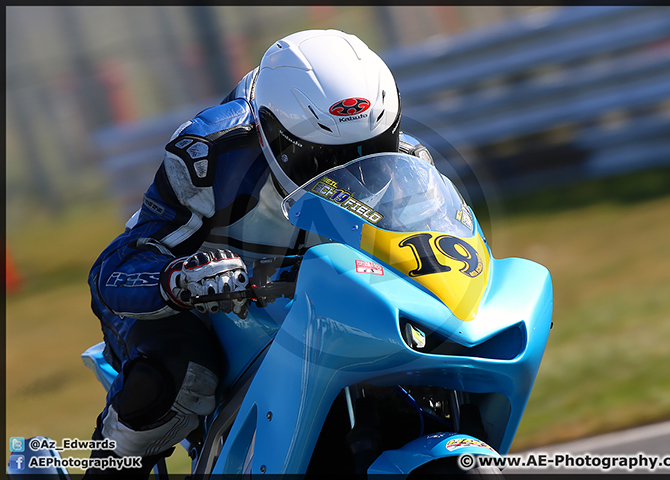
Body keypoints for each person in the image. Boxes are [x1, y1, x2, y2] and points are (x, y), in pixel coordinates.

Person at [84, 29, 434, 477]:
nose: (354, 177)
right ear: (273, 135)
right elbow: (115, 271)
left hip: (315, 304)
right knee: (181, 379)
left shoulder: (409, 164)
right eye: (324, 160)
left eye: (372, 152)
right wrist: (179, 280)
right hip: (203, 304)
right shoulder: (210, 156)